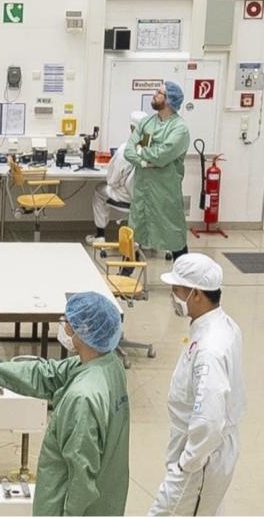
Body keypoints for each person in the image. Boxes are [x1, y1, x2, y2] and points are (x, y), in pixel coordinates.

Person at [0, 292, 129, 516]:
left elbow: (82, 478)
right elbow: (45, 374)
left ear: (86, 331)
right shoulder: (108, 365)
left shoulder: (82, 398)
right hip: (107, 501)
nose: (64, 328)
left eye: (68, 323)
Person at [150, 253, 245, 516]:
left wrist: (186, 464)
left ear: (197, 294)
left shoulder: (209, 349)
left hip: (200, 459)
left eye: (177, 290)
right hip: (205, 453)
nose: (173, 296)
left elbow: (209, 419)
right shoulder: (221, 325)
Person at [124, 81, 190, 260]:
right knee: (134, 234)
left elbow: (162, 155)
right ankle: (125, 274)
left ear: (169, 100)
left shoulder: (179, 129)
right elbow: (130, 151)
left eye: (159, 92)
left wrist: (143, 151)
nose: (154, 94)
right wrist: (145, 162)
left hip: (165, 194)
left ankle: (183, 281)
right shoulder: (147, 123)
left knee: (173, 236)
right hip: (143, 192)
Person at [85, 111, 149, 244]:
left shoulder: (125, 150)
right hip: (151, 200)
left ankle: (100, 235)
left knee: (99, 190)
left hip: (128, 198)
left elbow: (112, 181)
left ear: (132, 128)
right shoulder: (156, 149)